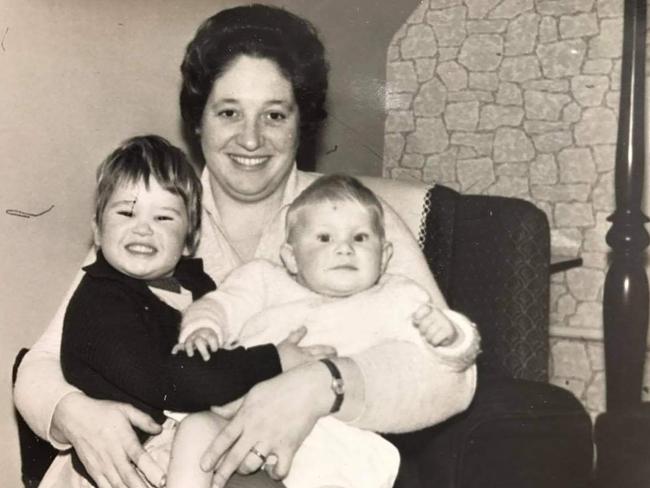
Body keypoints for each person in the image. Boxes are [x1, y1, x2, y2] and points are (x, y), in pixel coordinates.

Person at [14, 5, 477, 488]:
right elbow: (41, 363)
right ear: (199, 121)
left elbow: (452, 376)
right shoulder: (156, 223)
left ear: (303, 124)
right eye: (229, 112)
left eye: (274, 115)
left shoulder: (354, 219)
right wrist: (74, 415)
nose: (251, 138)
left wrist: (326, 383)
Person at [38, 135, 334, 488]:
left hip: (185, 450)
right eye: (126, 212)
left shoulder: (199, 289)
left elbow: (228, 353)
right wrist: (275, 359)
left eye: (164, 217)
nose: (144, 227)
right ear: (98, 231)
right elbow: (173, 381)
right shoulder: (101, 300)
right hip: (126, 468)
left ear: (190, 238)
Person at [167, 174, 479, 488]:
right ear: (290, 256)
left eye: (360, 238)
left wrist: (451, 336)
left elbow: (446, 367)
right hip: (235, 416)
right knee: (195, 430)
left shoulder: (396, 296)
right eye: (324, 238)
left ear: (384, 256)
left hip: (330, 441)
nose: (345, 249)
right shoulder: (263, 280)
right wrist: (204, 328)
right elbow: (221, 305)